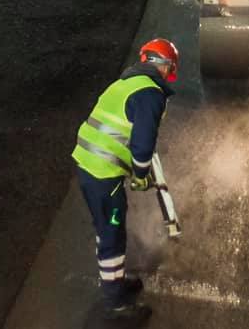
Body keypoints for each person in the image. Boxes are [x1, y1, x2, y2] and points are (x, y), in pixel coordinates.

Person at [71, 38, 180, 323]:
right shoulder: (150, 94)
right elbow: (142, 146)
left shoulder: (125, 83)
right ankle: (115, 305)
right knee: (111, 233)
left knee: (107, 229)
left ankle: (114, 283)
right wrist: (141, 176)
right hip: (103, 173)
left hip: (89, 163)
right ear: (167, 66)